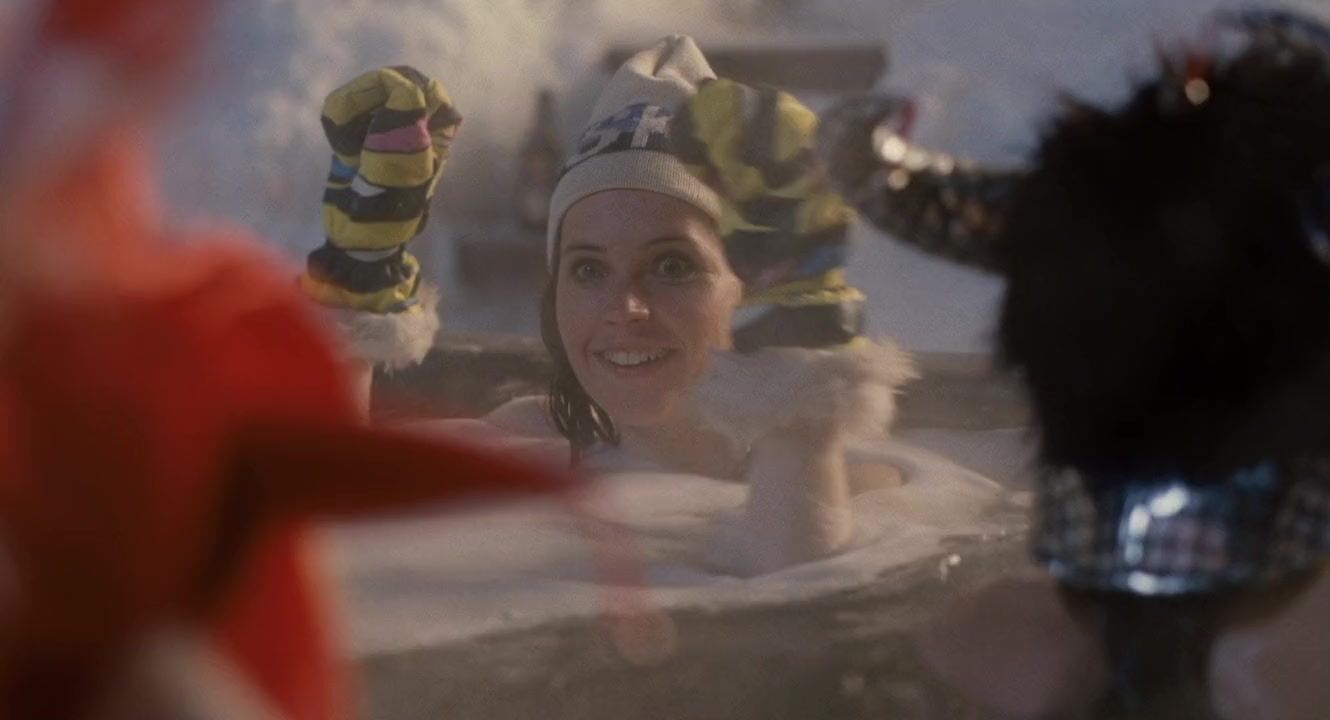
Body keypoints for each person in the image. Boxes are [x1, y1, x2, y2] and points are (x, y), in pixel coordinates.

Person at [452, 35, 935, 575]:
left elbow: (800, 598)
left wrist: (801, 420)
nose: (625, 308)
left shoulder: (853, 483)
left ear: (754, 283)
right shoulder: (521, 440)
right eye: (588, 270)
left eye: (671, 266)